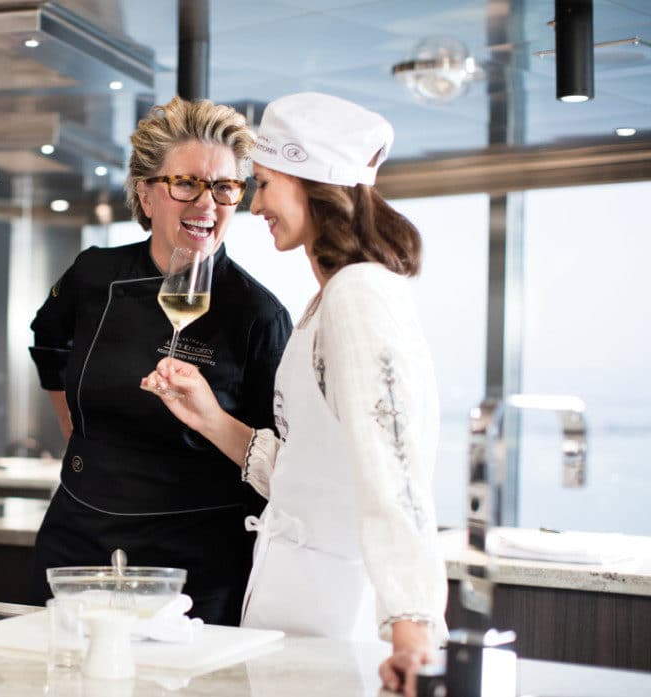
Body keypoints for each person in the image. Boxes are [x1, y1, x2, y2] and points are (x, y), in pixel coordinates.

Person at [141, 92, 448, 695]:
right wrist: (210, 418)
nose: (255, 205)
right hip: (297, 596)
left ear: (314, 186)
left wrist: (412, 631)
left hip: (333, 609)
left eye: (265, 184)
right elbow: (314, 471)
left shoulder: (359, 295)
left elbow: (393, 471)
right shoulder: (331, 298)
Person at [27, 97, 293, 625]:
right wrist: (77, 434)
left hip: (196, 563)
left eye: (224, 187)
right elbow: (48, 342)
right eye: (186, 184)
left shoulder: (258, 314)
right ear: (146, 194)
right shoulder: (94, 275)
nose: (207, 203)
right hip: (80, 541)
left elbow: (277, 458)